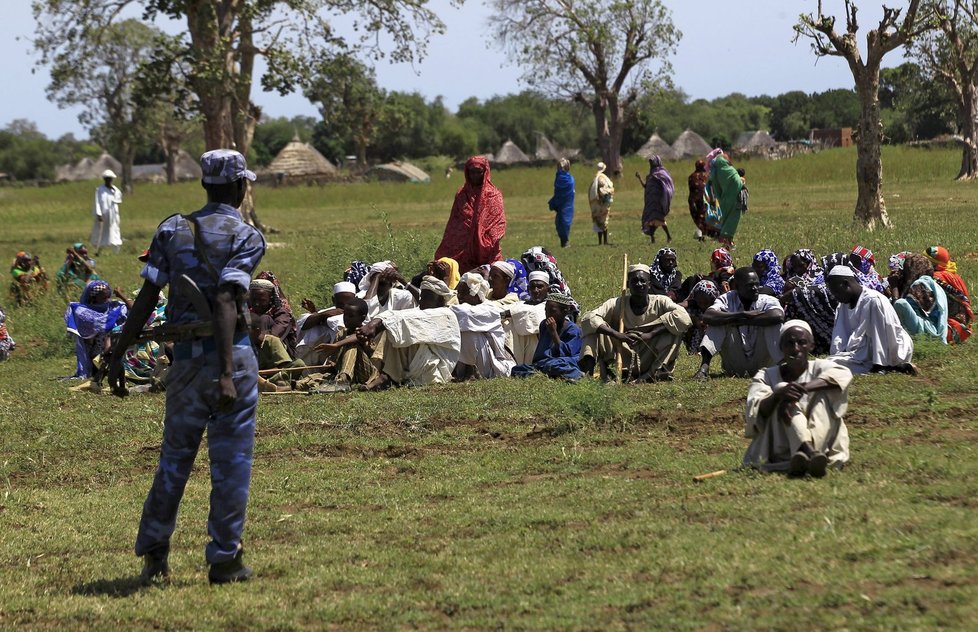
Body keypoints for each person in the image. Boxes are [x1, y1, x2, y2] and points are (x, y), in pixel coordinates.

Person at [107, 148, 265, 584]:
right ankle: (224, 559)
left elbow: (145, 298)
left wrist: (118, 353)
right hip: (230, 359)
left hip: (184, 364)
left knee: (174, 460)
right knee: (230, 463)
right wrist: (228, 374)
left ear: (204, 185)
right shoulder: (246, 236)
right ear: (239, 187)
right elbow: (227, 298)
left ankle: (155, 555)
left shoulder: (173, 230)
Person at [744, 320, 851, 476]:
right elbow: (755, 410)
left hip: (821, 439)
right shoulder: (766, 375)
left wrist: (802, 389)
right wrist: (778, 397)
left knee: (822, 393)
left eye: (802, 343)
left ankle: (807, 453)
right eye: (790, 343)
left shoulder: (821, 367)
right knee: (781, 390)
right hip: (780, 447)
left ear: (811, 346)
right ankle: (809, 453)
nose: (796, 349)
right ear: (781, 348)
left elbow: (842, 375)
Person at [580, 264, 691, 382]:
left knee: (674, 331)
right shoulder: (617, 303)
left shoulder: (660, 301)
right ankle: (589, 376)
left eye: (643, 281)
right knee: (594, 329)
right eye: (634, 281)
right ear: (628, 285)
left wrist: (651, 334)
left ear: (649, 285)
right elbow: (588, 318)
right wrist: (617, 335)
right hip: (622, 354)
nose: (639, 284)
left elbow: (684, 318)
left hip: (649, 354)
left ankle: (655, 374)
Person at [357, 276, 461, 389]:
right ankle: (387, 376)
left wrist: (373, 324)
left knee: (401, 328)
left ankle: (387, 377)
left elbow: (401, 318)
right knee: (397, 330)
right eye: (422, 297)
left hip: (434, 370)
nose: (421, 301)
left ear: (440, 301)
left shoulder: (446, 314)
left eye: (427, 297)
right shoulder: (420, 312)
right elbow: (401, 318)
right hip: (417, 365)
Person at [694, 267, 784, 380]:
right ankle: (704, 369)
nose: (755, 288)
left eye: (757, 284)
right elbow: (708, 316)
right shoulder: (727, 299)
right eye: (750, 285)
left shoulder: (767, 300)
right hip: (735, 364)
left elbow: (778, 316)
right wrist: (741, 315)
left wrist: (742, 320)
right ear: (736, 287)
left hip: (764, 366)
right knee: (719, 320)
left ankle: (784, 367)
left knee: (774, 323)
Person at [825, 265, 914, 375]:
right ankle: (894, 367)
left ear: (846, 284)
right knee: (829, 365)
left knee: (833, 367)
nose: (836, 297)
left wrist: (879, 363)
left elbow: (885, 332)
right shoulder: (843, 305)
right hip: (864, 352)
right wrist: (841, 354)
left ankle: (885, 365)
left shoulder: (873, 300)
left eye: (837, 292)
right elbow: (840, 335)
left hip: (892, 349)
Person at [435, 156, 506, 273]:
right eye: (472, 172)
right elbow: (454, 222)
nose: (475, 176)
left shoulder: (493, 195)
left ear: (485, 172)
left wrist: (485, 241)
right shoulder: (462, 194)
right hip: (463, 252)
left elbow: (498, 223)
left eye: (479, 172)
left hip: (488, 252)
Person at [451, 272, 515, 379]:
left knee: (470, 334)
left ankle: (471, 369)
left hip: (491, 363)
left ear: (475, 295)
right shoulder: (462, 307)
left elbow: (465, 314)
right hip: (471, 359)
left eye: (463, 292)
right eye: (458, 292)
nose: (459, 296)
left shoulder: (489, 309)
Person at [309, 297, 378, 391]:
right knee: (318, 377)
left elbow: (356, 338)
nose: (346, 319)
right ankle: (294, 384)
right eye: (345, 315)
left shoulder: (367, 332)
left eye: (351, 316)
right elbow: (334, 359)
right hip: (343, 372)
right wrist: (331, 364)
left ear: (363, 317)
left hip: (365, 373)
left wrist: (337, 345)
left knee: (351, 345)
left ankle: (343, 381)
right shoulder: (341, 333)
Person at [64, 279, 128, 379]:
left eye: (108, 296)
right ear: (95, 298)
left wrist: (121, 295)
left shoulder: (113, 307)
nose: (107, 300)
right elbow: (88, 334)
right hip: (98, 352)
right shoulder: (86, 312)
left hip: (114, 347)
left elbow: (131, 307)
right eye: (103, 297)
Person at [511, 293, 583, 380]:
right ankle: (549, 375)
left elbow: (568, 354)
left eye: (552, 311)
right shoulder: (544, 325)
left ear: (564, 311)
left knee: (554, 365)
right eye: (546, 310)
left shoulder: (573, 330)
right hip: (545, 363)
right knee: (517, 369)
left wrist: (554, 333)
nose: (547, 314)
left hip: (564, 362)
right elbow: (541, 354)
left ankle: (576, 375)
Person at [295, 282, 358, 366]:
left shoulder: (360, 312)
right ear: (333, 300)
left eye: (349, 303)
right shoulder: (332, 311)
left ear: (356, 299)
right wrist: (322, 315)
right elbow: (303, 323)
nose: (345, 307)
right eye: (340, 304)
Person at [891, 255, 948, 344]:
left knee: (900, 303)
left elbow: (899, 310)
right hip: (935, 332)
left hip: (930, 332)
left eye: (906, 270)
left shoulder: (920, 283)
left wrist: (894, 288)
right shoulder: (934, 284)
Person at [924, 245, 972, 343]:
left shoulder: (936, 277)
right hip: (963, 318)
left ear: (933, 264)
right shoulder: (951, 273)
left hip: (952, 320)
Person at [501, 270, 550, 364]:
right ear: (528, 289)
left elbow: (535, 315)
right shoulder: (519, 304)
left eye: (540, 287)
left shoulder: (549, 306)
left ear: (548, 289)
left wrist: (512, 315)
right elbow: (501, 314)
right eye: (532, 287)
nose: (536, 291)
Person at [249, 277, 298, 359]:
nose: (257, 304)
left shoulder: (282, 314)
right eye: (254, 300)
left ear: (271, 298)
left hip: (282, 355)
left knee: (264, 319)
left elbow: (273, 336)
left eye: (262, 300)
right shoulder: (249, 312)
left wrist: (251, 335)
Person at [708, 152, 744, 249]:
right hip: (735, 197)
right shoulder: (731, 170)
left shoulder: (716, 172)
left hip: (724, 198)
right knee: (733, 219)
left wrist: (720, 197)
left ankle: (729, 241)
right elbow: (738, 182)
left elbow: (716, 187)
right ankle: (726, 240)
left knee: (727, 218)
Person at [637, 156, 673, 243]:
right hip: (650, 201)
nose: (651, 164)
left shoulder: (662, 173)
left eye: (652, 163)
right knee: (651, 219)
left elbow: (667, 185)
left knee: (659, 218)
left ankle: (668, 236)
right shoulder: (649, 175)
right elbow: (646, 186)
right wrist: (639, 178)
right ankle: (653, 239)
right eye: (650, 163)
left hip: (658, 201)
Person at [680, 279, 721, 355]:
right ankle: (693, 351)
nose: (702, 305)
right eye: (699, 302)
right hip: (694, 339)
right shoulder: (694, 307)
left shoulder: (717, 309)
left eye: (705, 303)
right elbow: (678, 308)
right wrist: (695, 321)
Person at [91, 169, 123, 256]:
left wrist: (113, 191)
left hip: (113, 216)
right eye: (107, 178)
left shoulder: (115, 190)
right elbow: (96, 202)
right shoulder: (99, 190)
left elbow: (119, 199)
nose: (108, 180)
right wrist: (98, 214)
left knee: (115, 232)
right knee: (101, 233)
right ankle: (98, 251)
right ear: (104, 179)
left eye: (110, 178)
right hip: (103, 216)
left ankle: (116, 252)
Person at [548, 158, 575, 248]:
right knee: (560, 222)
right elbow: (558, 190)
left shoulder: (567, 178)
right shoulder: (560, 177)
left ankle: (565, 241)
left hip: (567, 202)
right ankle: (564, 241)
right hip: (561, 202)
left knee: (565, 222)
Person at [589, 161, 614, 245]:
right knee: (604, 220)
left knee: (598, 221)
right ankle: (605, 241)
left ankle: (600, 241)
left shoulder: (595, 178)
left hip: (597, 203)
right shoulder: (602, 178)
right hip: (602, 203)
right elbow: (603, 190)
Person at [687, 160, 710, 241]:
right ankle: (702, 233)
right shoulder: (707, 176)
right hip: (705, 199)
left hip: (694, 199)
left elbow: (691, 188)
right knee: (703, 216)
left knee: (697, 216)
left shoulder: (691, 176)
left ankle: (701, 233)